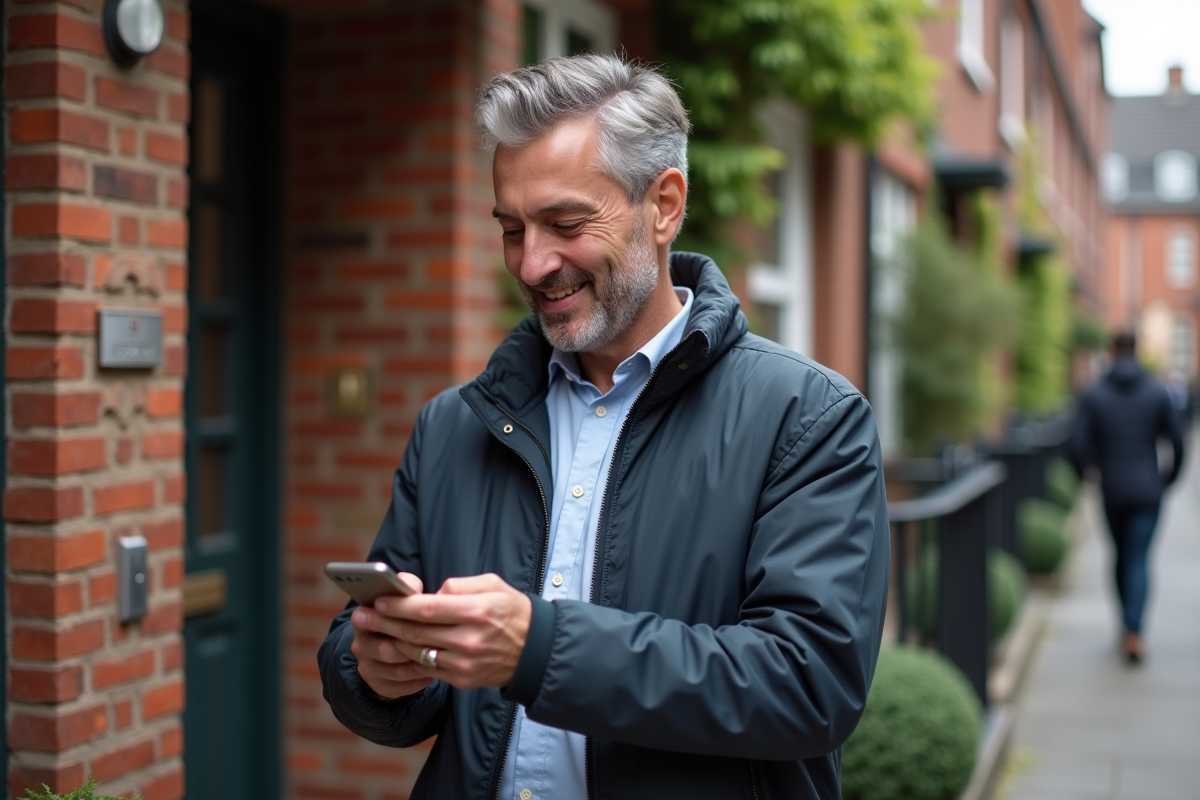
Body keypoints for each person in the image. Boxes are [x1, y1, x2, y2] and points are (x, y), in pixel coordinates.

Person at [318, 54, 890, 799]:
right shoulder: (451, 425)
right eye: (511, 229)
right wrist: (376, 673)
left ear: (664, 204)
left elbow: (809, 686)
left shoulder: (808, 418)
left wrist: (540, 649)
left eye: (564, 224)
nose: (531, 263)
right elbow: (378, 667)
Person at [1069, 332, 1185, 663]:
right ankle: (1133, 630)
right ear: (1137, 350)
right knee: (1138, 558)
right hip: (1149, 490)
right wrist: (1168, 480)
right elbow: (1177, 443)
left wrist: (1087, 475)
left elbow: (1076, 445)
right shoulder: (1157, 392)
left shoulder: (1094, 393)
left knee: (1121, 556)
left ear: (1111, 351)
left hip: (1113, 489)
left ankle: (1126, 625)